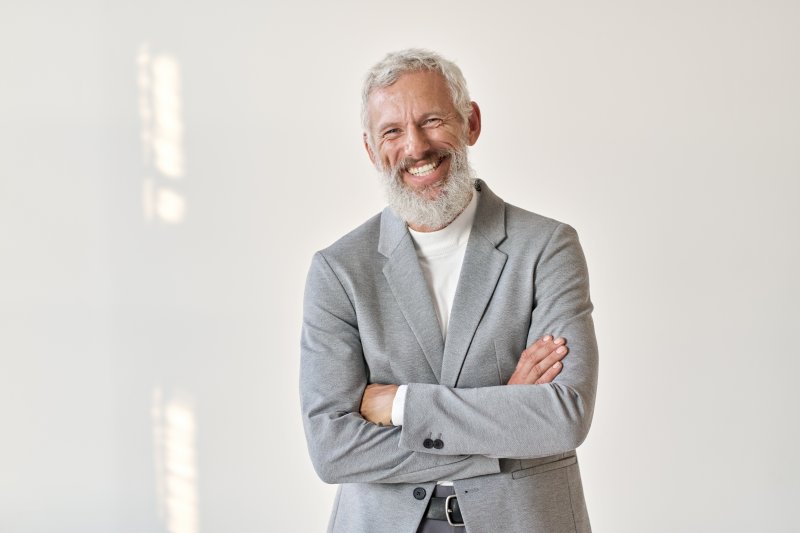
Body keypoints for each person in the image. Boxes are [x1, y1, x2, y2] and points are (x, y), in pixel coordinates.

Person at [300, 48, 598, 533]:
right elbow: (333, 450)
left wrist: (400, 406)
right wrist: (506, 420)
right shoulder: (338, 270)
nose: (416, 148)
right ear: (372, 150)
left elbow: (564, 415)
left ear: (471, 122)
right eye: (392, 132)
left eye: (432, 120)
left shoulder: (547, 247)